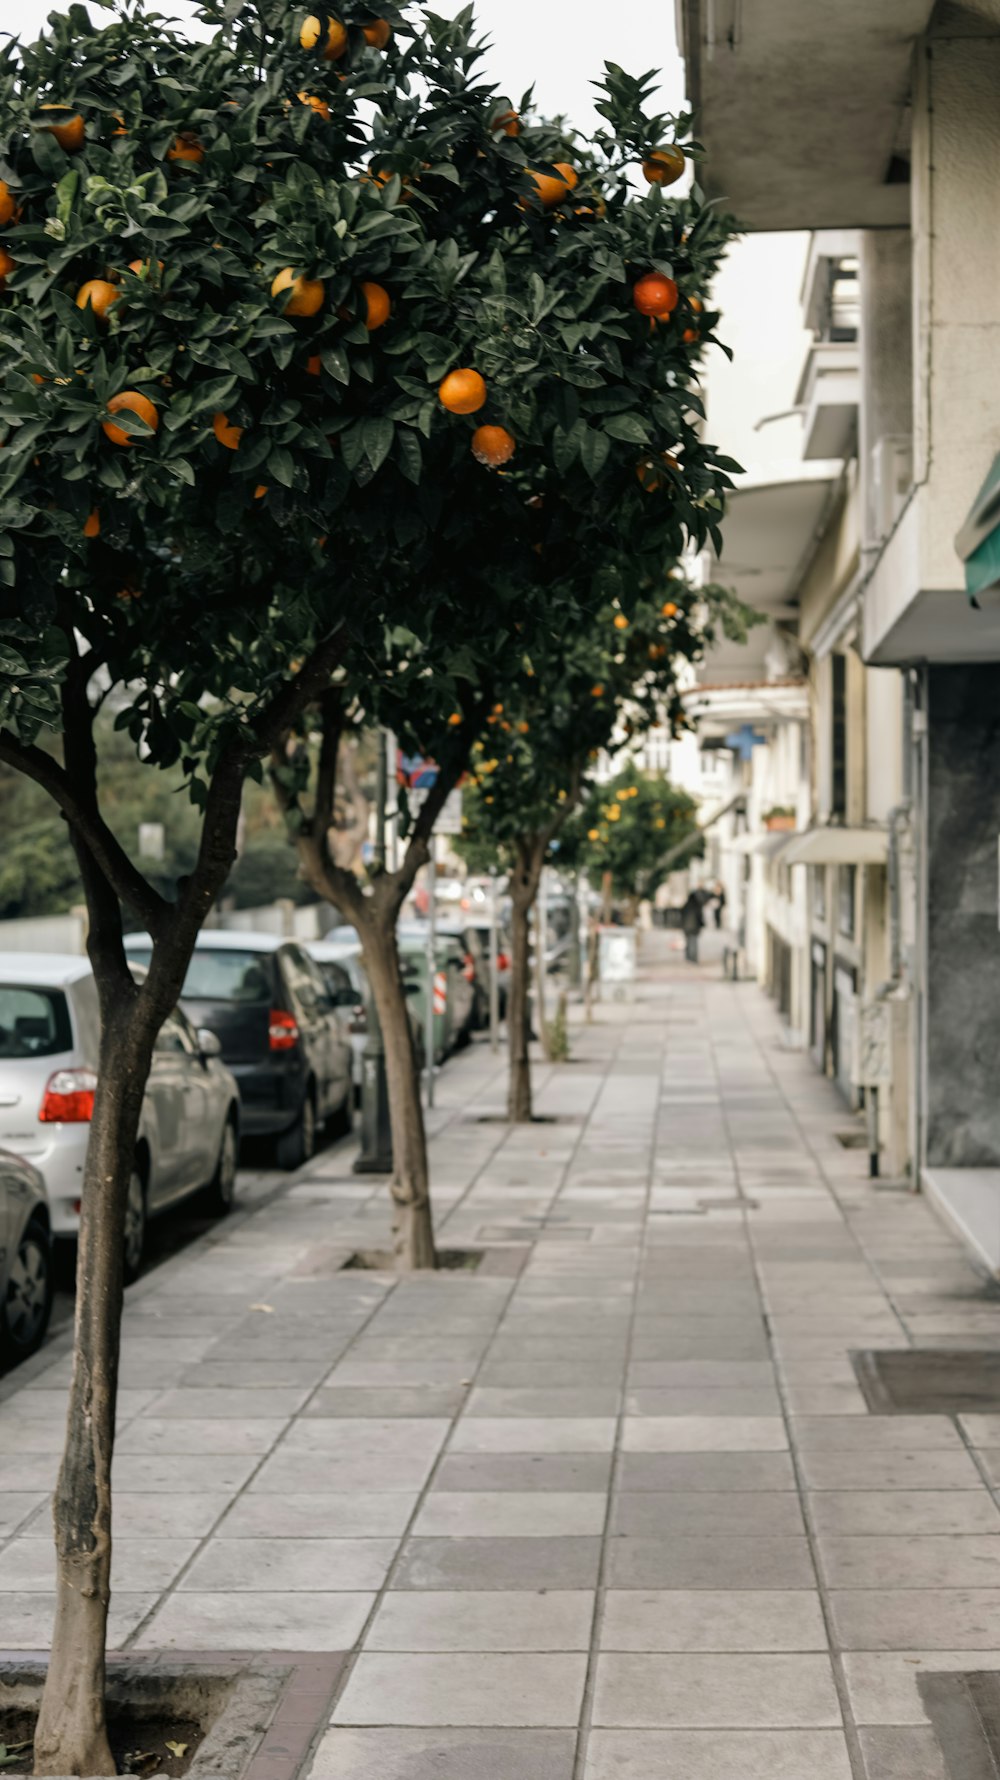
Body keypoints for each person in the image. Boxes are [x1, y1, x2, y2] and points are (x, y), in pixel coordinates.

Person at [680, 889, 704, 963]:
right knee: (694, 942)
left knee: (688, 942)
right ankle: (694, 958)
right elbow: (700, 917)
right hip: (694, 927)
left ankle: (689, 957)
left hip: (686, 927)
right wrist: (701, 925)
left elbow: (681, 915)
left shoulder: (686, 905)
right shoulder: (697, 906)